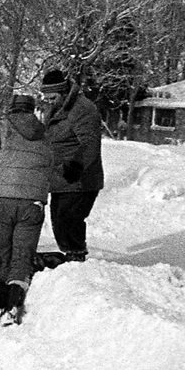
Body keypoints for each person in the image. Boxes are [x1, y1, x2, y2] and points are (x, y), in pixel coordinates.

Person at [0, 93, 54, 324]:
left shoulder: (1, 128)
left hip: (3, 200)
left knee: (3, 252)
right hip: (32, 203)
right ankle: (12, 305)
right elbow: (52, 164)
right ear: (32, 110)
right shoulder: (45, 134)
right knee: (22, 255)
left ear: (11, 109)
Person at [40, 68, 104, 263]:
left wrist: (76, 165)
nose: (48, 102)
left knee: (69, 219)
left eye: (52, 97)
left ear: (62, 92)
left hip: (79, 178)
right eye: (46, 98)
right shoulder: (58, 108)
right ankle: (71, 257)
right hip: (61, 178)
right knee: (59, 221)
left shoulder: (82, 109)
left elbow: (90, 142)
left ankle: (77, 257)